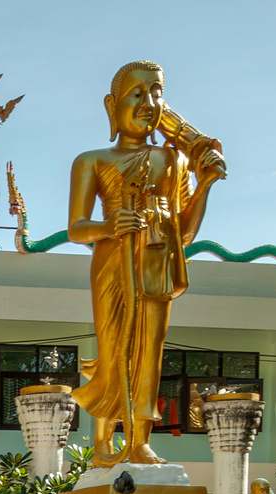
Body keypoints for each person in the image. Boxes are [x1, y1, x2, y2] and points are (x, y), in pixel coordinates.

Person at [67, 60, 226, 466]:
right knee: (115, 344)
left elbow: (184, 233)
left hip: (157, 262)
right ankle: (103, 444)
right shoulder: (92, 160)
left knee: (149, 353)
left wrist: (204, 185)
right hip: (112, 261)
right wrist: (108, 224)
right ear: (112, 106)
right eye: (137, 94)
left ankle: (139, 440)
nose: (148, 102)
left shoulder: (172, 162)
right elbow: (76, 228)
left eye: (156, 92)